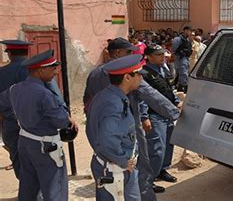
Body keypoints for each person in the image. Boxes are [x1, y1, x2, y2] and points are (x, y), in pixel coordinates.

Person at [84, 37, 181, 199]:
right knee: (139, 170)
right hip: (126, 131)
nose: (131, 55)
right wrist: (176, 114)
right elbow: (150, 95)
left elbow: (88, 102)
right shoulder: (126, 72)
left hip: (104, 136)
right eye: (128, 52)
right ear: (117, 53)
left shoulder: (96, 75)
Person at [1, 49, 78, 201]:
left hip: (25, 142)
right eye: (52, 68)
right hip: (46, 147)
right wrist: (66, 117)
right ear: (41, 70)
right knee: (54, 188)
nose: (55, 72)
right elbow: (61, 121)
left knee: (29, 186)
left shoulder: (15, 89)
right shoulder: (44, 94)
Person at [86, 54, 143, 201]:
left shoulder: (106, 96)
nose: (141, 78)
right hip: (116, 169)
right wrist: (123, 160)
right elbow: (107, 140)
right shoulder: (113, 104)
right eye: (138, 73)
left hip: (113, 165)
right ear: (127, 77)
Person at [142, 45, 180, 184]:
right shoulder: (144, 74)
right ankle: (149, 179)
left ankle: (162, 170)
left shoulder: (164, 69)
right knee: (157, 149)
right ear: (149, 57)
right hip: (155, 116)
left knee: (169, 144)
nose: (163, 57)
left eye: (163, 54)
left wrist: (175, 101)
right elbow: (143, 97)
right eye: (158, 55)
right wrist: (144, 117)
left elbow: (170, 88)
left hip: (167, 114)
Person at [0, 40, 31, 178]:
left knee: (17, 157)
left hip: (10, 122)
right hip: (34, 123)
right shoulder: (36, 70)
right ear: (27, 52)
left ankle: (27, 191)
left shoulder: (2, 72)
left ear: (10, 53)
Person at [172, 25, 193, 92]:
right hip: (180, 58)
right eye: (189, 31)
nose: (190, 33)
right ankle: (182, 88)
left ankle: (181, 87)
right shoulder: (178, 39)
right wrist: (182, 52)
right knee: (183, 73)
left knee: (184, 73)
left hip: (186, 58)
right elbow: (174, 50)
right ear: (185, 30)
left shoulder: (187, 40)